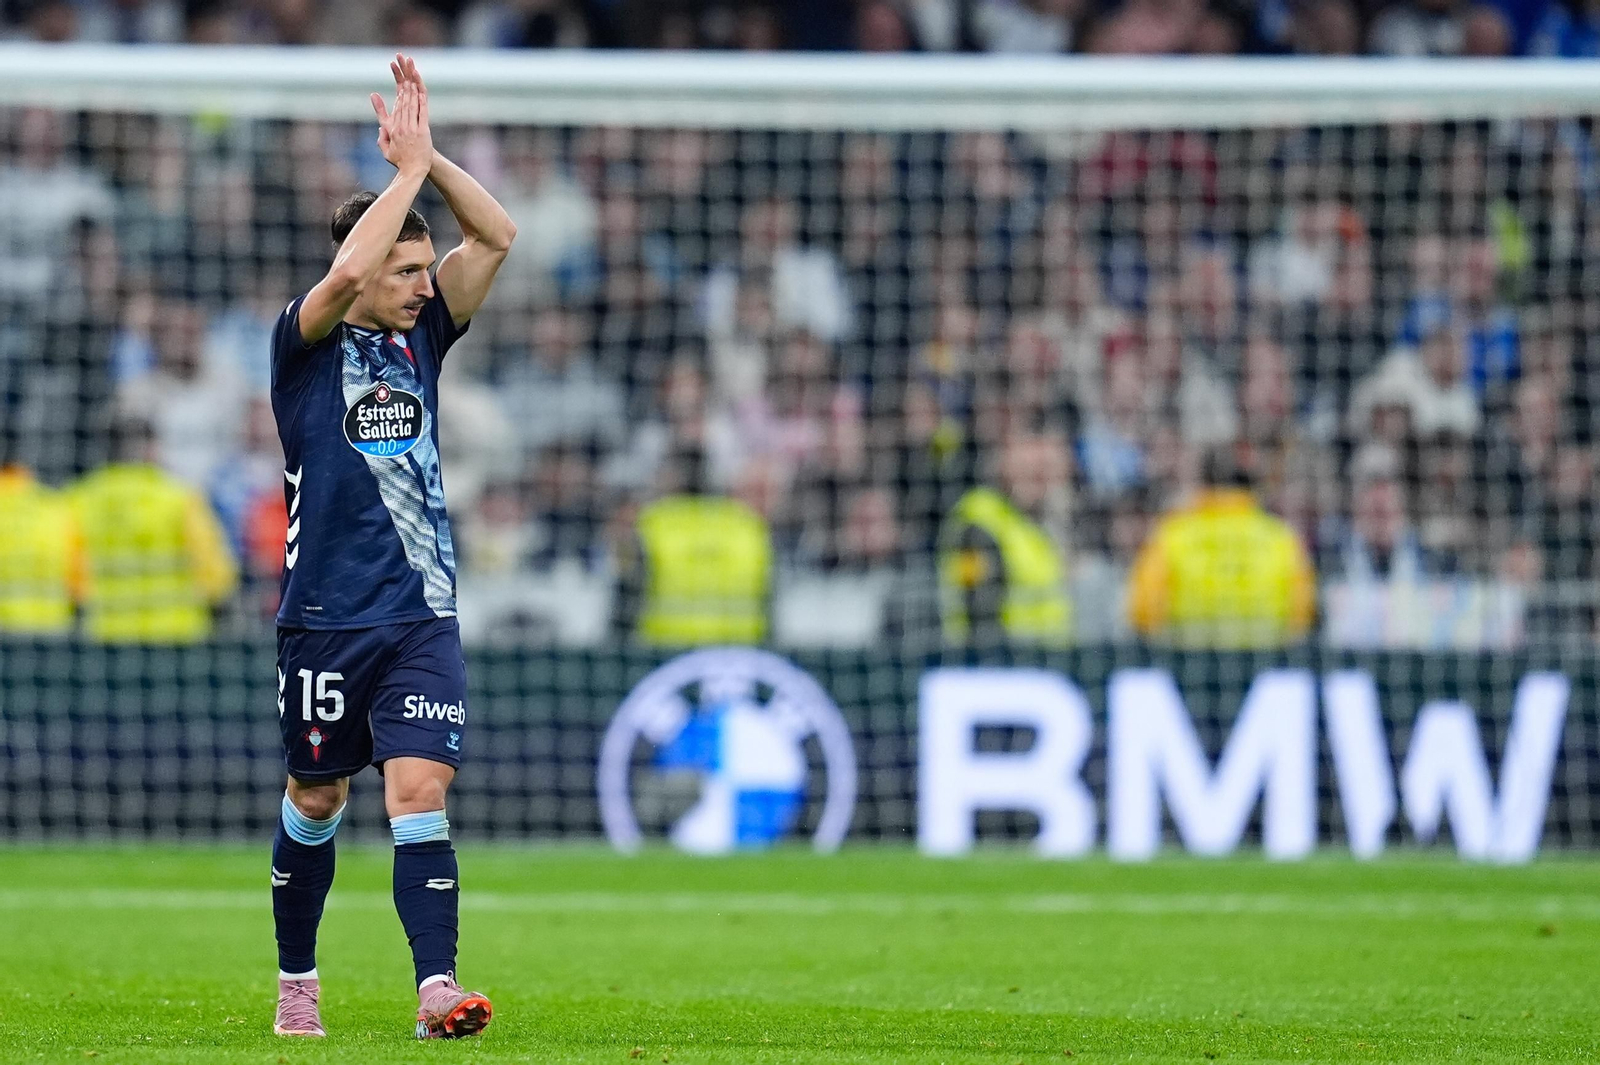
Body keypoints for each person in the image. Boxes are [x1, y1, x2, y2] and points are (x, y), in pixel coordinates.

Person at [264, 55, 516, 1042]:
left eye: (425, 270)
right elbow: (341, 275)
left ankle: (436, 989)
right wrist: (401, 177)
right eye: (407, 271)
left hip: (419, 612)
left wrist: (429, 158)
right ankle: (297, 981)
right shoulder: (305, 343)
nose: (425, 284)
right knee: (316, 797)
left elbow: (496, 234)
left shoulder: (425, 340)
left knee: (419, 792)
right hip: (323, 618)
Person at [67, 416, 236, 642]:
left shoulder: (77, 501)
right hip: (176, 636)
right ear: (151, 448)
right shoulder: (182, 499)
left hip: (105, 637)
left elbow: (70, 578)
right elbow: (217, 579)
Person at [1126, 452, 1315, 649]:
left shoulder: (1173, 535)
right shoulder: (1280, 539)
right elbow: (1302, 614)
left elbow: (1143, 611)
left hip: (1190, 665)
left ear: (1202, 485)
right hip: (1265, 661)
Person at [939, 431, 1074, 647]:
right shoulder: (980, 519)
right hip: (1003, 666)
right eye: (1027, 472)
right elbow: (978, 608)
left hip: (1045, 665)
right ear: (1004, 467)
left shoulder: (1030, 526)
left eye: (1041, 475)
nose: (1037, 483)